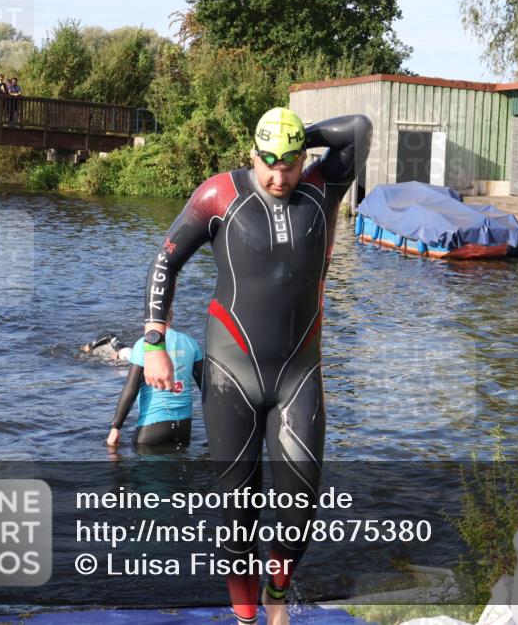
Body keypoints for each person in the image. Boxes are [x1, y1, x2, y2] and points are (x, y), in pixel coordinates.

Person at [142, 107, 371, 625]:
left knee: (299, 510)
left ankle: (278, 588)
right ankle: (248, 620)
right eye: (268, 162)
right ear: (252, 154)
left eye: (290, 162)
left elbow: (358, 128)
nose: (278, 176)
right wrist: (154, 339)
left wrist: (299, 135)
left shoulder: (322, 187)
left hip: (298, 375)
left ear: (302, 159)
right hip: (231, 374)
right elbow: (166, 260)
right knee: (236, 516)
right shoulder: (218, 195)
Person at [106, 320, 204, 450]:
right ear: (172, 316)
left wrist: (115, 427)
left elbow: (131, 389)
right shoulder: (191, 343)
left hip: (152, 430)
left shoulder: (144, 345)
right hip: (184, 429)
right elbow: (206, 388)